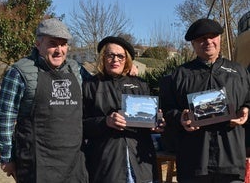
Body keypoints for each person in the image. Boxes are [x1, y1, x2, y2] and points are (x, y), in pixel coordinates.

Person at [0, 18, 88, 183]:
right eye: (52, 43)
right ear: (38, 44)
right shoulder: (19, 72)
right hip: (36, 163)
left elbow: (101, 85)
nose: (59, 50)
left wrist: (127, 68)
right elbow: (5, 118)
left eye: (63, 44)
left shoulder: (76, 69)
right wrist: (7, 158)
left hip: (74, 163)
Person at [170, 18, 250, 183]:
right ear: (193, 43)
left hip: (231, 162)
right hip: (194, 163)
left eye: (212, 36)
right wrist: (180, 118)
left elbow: (248, 100)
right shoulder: (179, 75)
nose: (208, 41)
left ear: (220, 38)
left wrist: (246, 110)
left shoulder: (239, 72)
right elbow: (165, 111)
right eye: (201, 38)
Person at [82, 36, 165, 183]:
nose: (115, 60)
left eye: (120, 56)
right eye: (110, 55)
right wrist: (105, 122)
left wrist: (156, 123)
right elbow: (80, 125)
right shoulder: (90, 86)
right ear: (103, 57)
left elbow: (149, 120)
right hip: (106, 165)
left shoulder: (140, 84)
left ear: (126, 59)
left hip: (141, 165)